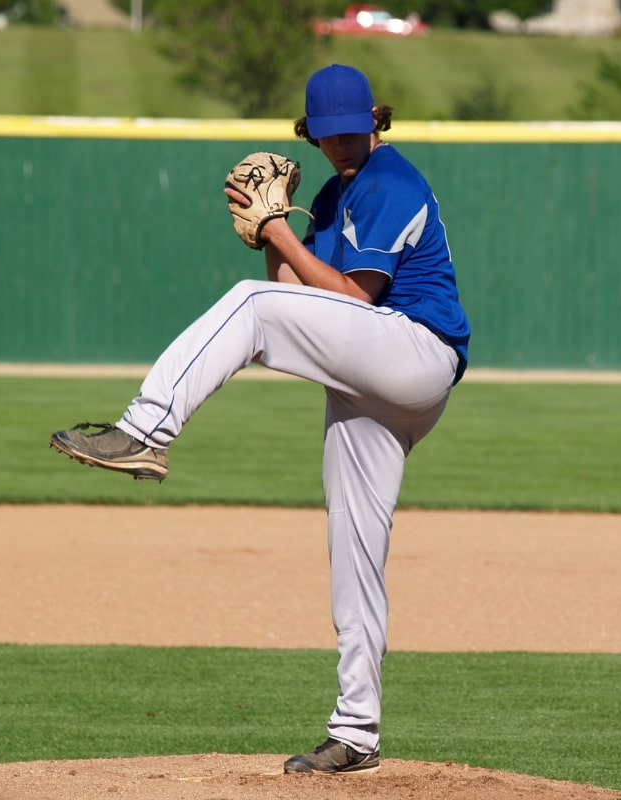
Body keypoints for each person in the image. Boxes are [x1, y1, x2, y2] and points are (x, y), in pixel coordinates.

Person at [49, 63, 470, 775]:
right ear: (311, 134)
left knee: (247, 304)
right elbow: (301, 295)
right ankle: (357, 734)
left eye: (351, 131)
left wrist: (279, 229)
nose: (339, 145)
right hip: (370, 371)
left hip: (413, 350)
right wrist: (267, 235)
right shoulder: (338, 195)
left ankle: (147, 429)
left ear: (376, 120)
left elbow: (356, 301)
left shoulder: (393, 182)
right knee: (355, 548)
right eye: (327, 135)